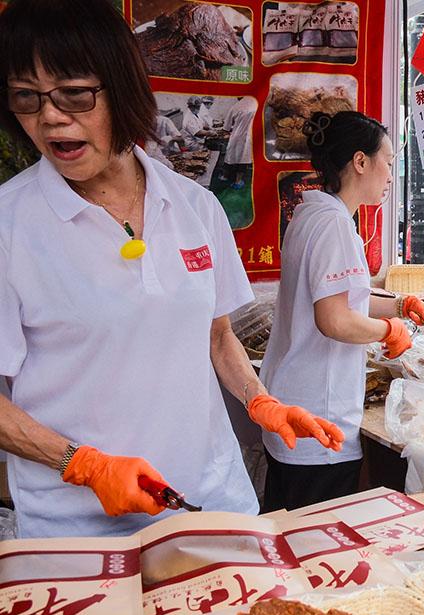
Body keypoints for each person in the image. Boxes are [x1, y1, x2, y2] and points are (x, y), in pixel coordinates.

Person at [0, 0, 341, 537]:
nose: (49, 116)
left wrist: (259, 399)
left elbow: (217, 335)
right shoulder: (9, 224)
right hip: (79, 526)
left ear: (124, 88)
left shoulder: (194, 206)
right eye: (26, 97)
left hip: (210, 500)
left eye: (75, 94)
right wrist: (82, 465)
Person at [260, 111, 424, 511]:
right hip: (318, 420)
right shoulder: (333, 226)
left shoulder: (313, 216)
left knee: (289, 536)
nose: (391, 175)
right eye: (388, 163)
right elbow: (334, 319)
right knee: (312, 547)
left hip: (296, 407)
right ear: (360, 162)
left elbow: (343, 298)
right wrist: (389, 330)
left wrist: (401, 305)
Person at [222, 94, 256, 189]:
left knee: (230, 156)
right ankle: (238, 181)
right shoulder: (256, 104)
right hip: (249, 137)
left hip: (236, 137)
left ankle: (225, 176)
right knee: (243, 159)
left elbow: (226, 128)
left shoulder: (235, 107)